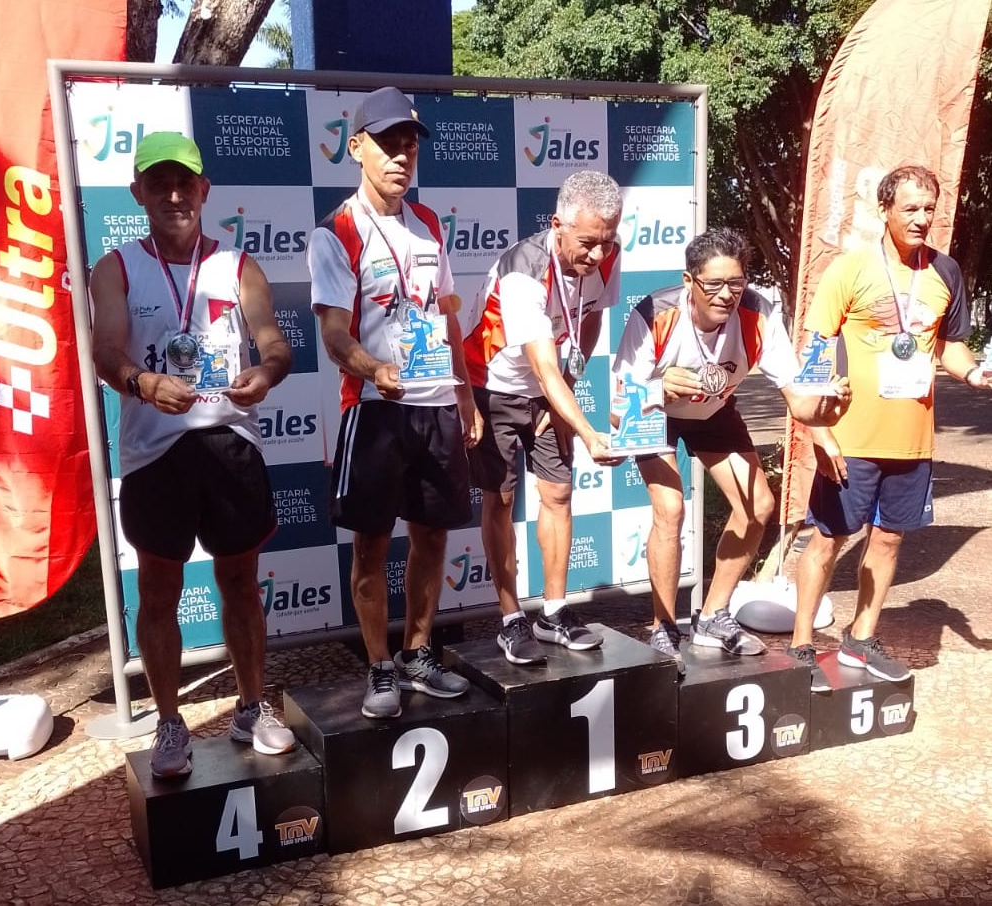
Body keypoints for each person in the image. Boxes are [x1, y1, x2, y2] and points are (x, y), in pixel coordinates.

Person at [90, 131, 296, 778]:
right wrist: (143, 382)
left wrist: (264, 375)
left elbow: (274, 343)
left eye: (186, 182)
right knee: (158, 591)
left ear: (205, 190)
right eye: (160, 183)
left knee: (240, 583)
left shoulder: (238, 266)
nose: (174, 194)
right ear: (139, 193)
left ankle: (251, 705)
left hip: (229, 445)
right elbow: (104, 349)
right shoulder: (117, 265)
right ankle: (170, 724)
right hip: (156, 453)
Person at [307, 87, 482, 719]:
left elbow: (444, 316)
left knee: (433, 536)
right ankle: (380, 666)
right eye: (387, 143)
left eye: (410, 143)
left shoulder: (430, 224)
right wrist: (374, 369)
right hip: (375, 410)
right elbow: (332, 335)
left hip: (435, 404)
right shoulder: (337, 232)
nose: (402, 155)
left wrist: (464, 395)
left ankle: (418, 653)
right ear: (356, 148)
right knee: (372, 547)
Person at [611, 228, 850, 675]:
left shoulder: (758, 312)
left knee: (759, 507)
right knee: (670, 509)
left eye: (736, 283)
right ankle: (662, 624)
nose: (726, 295)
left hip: (714, 411)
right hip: (652, 412)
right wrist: (659, 387)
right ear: (689, 281)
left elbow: (797, 397)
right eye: (714, 284)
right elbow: (618, 407)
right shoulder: (655, 314)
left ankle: (712, 616)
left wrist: (827, 416)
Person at [788, 165, 987, 688]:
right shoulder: (849, 269)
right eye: (910, 209)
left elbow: (947, 344)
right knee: (829, 540)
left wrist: (974, 372)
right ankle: (802, 644)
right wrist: (818, 430)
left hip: (912, 438)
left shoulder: (945, 271)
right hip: (849, 436)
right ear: (885, 211)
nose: (922, 219)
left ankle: (860, 637)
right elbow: (814, 351)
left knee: (890, 540)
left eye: (929, 209)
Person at [463, 171, 623, 665]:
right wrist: (588, 431)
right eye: (588, 243)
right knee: (502, 497)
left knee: (557, 492)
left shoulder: (606, 254)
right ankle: (511, 618)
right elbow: (542, 365)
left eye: (607, 242)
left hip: (552, 387)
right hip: (493, 385)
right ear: (557, 225)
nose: (598, 255)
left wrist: (568, 396)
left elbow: (591, 316)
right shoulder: (523, 271)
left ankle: (553, 613)